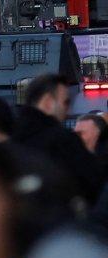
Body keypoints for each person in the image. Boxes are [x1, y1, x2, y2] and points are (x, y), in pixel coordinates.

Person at [13, 73, 103, 205]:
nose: (68, 110)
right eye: (66, 102)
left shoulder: (11, 137)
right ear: (48, 102)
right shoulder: (64, 141)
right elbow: (93, 184)